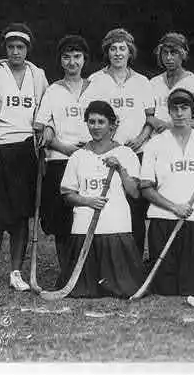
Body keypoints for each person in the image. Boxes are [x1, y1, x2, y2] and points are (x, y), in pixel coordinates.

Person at [0, 22, 49, 291]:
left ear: (28, 49)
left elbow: (48, 113)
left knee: (20, 216)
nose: (16, 52)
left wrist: (46, 134)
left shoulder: (38, 77)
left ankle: (16, 272)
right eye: (11, 47)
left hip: (26, 152)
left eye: (21, 47)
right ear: (5, 49)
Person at [57, 100, 144, 298]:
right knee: (81, 290)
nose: (95, 126)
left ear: (112, 125)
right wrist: (87, 201)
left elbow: (135, 192)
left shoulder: (125, 153)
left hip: (116, 223)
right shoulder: (78, 156)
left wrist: (120, 168)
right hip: (85, 223)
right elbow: (67, 194)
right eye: (91, 121)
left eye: (101, 122)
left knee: (125, 288)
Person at [140, 88, 194, 296]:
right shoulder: (155, 143)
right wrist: (174, 207)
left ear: (193, 111)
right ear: (168, 111)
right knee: (166, 288)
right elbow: (146, 188)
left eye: (184, 108)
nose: (179, 113)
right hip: (164, 217)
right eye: (174, 108)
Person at [86, 28, 155, 255]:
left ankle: (134, 255)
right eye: (113, 49)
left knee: (136, 204)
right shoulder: (95, 80)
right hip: (107, 153)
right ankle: (109, 256)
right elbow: (91, 117)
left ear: (130, 51)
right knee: (110, 203)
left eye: (122, 48)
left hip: (137, 151)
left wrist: (141, 138)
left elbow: (150, 118)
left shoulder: (143, 81)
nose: (117, 53)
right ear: (107, 52)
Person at [35, 35, 93, 279]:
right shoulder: (53, 90)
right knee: (62, 218)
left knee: (87, 213)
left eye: (77, 56)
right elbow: (42, 128)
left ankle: (87, 268)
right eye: (67, 57)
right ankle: (67, 270)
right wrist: (66, 148)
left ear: (84, 60)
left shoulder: (96, 87)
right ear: (60, 60)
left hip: (91, 159)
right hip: (60, 159)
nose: (72, 62)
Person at [148, 32, 194, 134]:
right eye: (165, 53)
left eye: (173, 53)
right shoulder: (154, 82)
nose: (168, 57)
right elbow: (147, 114)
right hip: (158, 140)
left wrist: (176, 125)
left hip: (186, 140)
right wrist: (154, 121)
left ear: (182, 54)